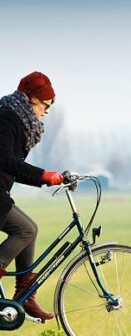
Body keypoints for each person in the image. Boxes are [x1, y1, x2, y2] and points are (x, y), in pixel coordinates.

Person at [0, 72, 65, 321]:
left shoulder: (15, 117)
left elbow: (12, 167)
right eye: (46, 105)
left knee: (30, 229)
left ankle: (24, 296)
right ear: (32, 99)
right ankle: (25, 295)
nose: (46, 111)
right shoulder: (7, 117)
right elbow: (4, 159)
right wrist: (42, 175)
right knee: (25, 230)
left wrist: (46, 178)